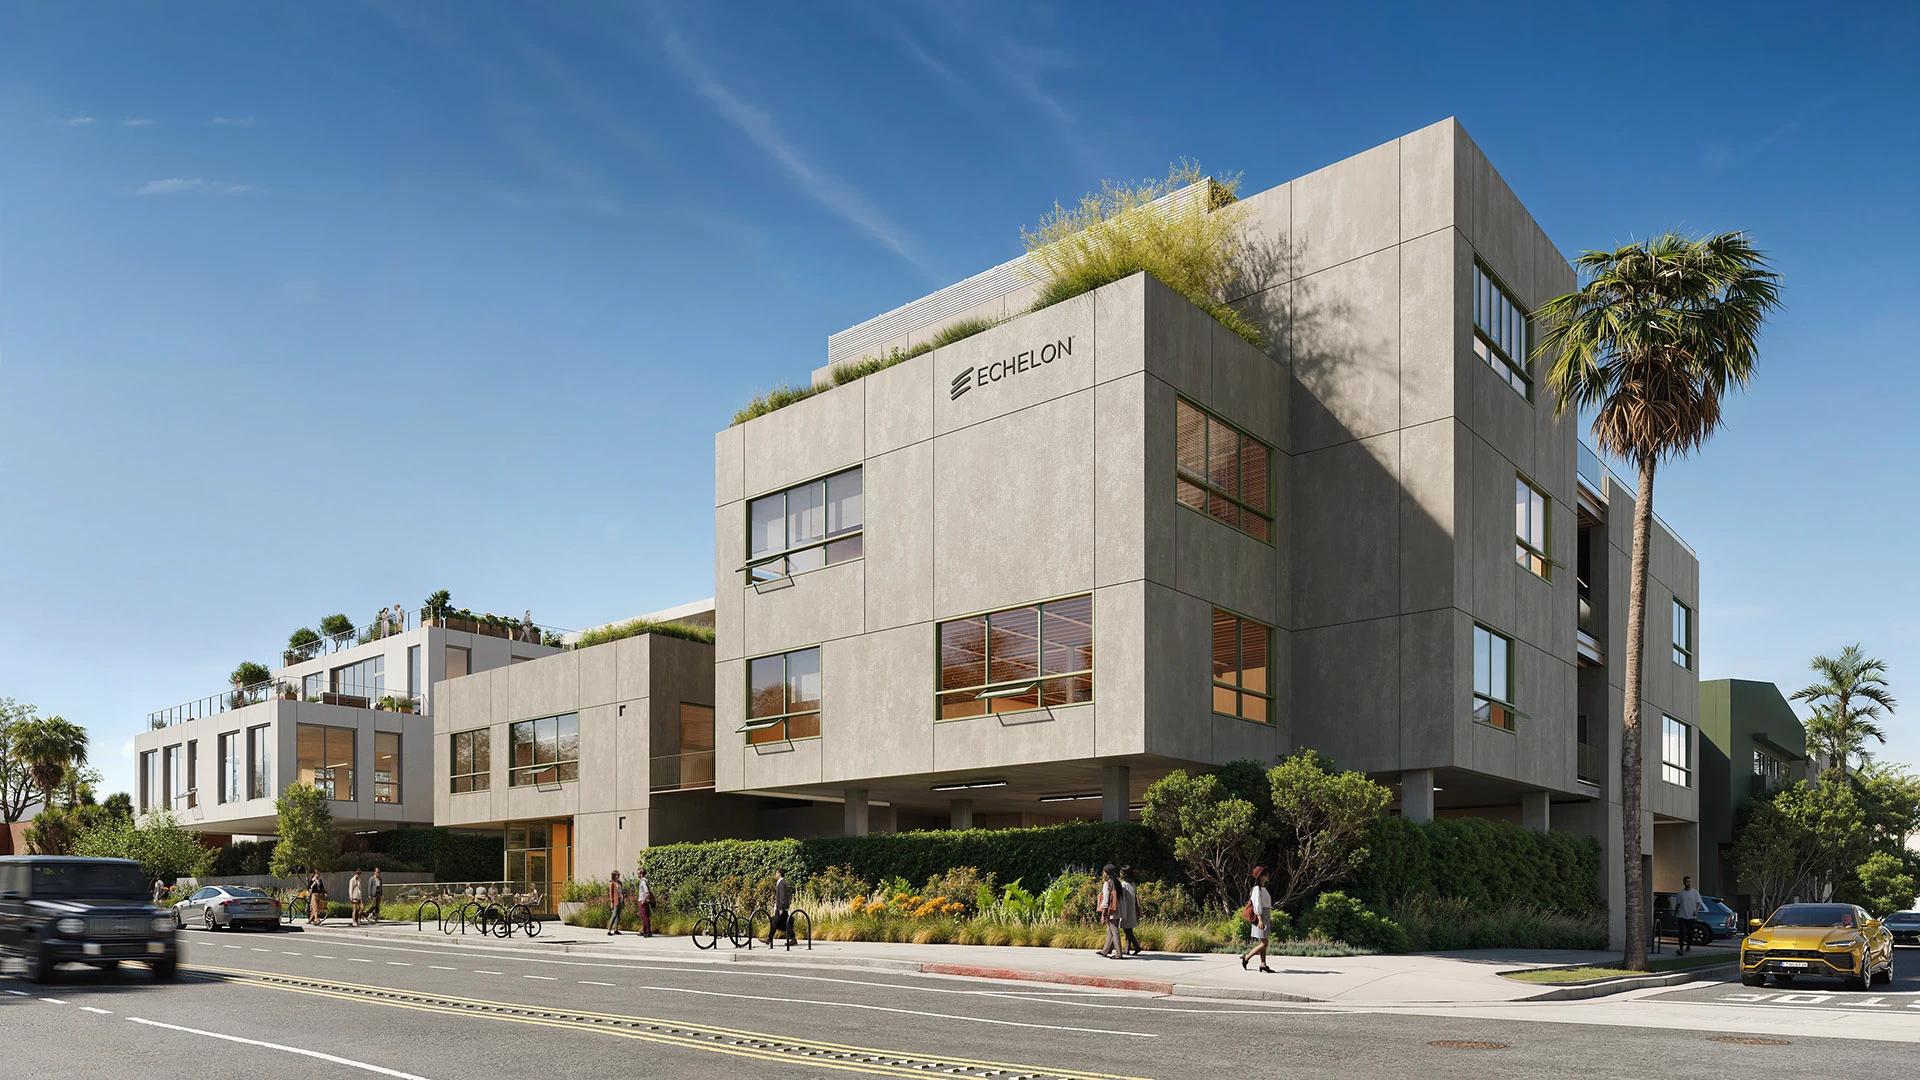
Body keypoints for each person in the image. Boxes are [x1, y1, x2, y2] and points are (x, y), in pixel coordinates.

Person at [1241, 866, 1273, 973]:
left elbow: (1266, 906)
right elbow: (1257, 905)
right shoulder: (1256, 889)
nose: (1267, 876)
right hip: (1260, 916)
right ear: (1260, 877)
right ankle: (1246, 958)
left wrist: (1269, 919)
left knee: (1263, 941)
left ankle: (1263, 964)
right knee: (1264, 943)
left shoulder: (1263, 889)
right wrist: (1260, 919)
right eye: (1265, 874)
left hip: (1265, 916)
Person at [1096, 864, 1124, 959]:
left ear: (1106, 873)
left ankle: (1119, 953)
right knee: (1109, 930)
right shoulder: (1117, 882)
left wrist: (1103, 915)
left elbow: (1106, 900)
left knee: (1114, 931)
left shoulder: (1107, 884)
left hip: (1111, 910)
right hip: (1118, 909)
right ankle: (1106, 950)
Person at [1673, 875, 1705, 956]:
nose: (1689, 883)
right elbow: (1678, 904)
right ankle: (1681, 947)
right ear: (1684, 883)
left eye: (1690, 881)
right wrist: (1675, 914)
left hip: (1691, 916)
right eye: (1687, 882)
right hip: (1682, 915)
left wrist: (1696, 911)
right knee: (1682, 932)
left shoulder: (1695, 892)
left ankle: (1688, 945)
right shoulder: (1681, 893)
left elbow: (1699, 903)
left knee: (1690, 932)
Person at [1118, 866, 1142, 956]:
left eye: (1121, 872)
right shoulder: (1132, 884)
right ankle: (1127, 949)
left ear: (1124, 874)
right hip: (1132, 909)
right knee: (1129, 929)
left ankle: (1137, 946)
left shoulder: (1123, 885)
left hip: (1126, 909)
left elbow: (1120, 897)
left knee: (1126, 930)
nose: (1119, 874)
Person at [769, 868, 793, 946]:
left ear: (779, 874)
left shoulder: (781, 883)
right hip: (782, 907)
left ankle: (769, 938)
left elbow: (782, 896)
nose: (775, 874)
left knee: (774, 922)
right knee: (786, 923)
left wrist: (780, 908)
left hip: (781, 908)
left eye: (776, 872)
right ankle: (793, 938)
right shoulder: (782, 882)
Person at [634, 868, 653, 937]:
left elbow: (647, 892)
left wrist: (643, 901)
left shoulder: (643, 882)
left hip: (643, 901)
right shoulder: (644, 881)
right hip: (643, 901)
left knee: (645, 917)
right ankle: (644, 931)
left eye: (638, 873)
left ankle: (648, 932)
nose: (637, 875)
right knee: (643, 917)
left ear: (641, 874)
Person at [607, 870, 624, 935]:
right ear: (614, 876)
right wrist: (611, 902)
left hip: (620, 899)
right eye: (617, 874)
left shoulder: (620, 883)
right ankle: (609, 930)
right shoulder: (612, 883)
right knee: (614, 915)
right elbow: (611, 894)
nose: (618, 876)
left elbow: (621, 892)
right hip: (615, 900)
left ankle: (616, 929)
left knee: (618, 915)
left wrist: (623, 901)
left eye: (619, 874)